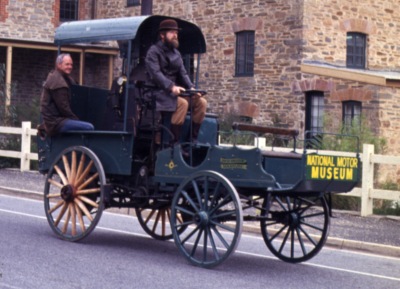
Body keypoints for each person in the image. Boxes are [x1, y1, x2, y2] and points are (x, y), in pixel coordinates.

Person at [144, 19, 207, 145]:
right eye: (172, 32)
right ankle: (174, 143)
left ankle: (191, 140)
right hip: (156, 92)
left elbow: (183, 73)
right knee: (182, 104)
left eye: (176, 33)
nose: (175, 35)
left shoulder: (176, 53)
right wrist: (171, 87)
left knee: (202, 102)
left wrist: (191, 88)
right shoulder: (153, 52)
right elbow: (156, 74)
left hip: (172, 93)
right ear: (162, 35)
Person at [39, 53, 94, 136]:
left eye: (71, 64)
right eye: (67, 64)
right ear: (59, 65)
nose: (70, 67)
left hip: (59, 120)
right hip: (55, 123)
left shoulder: (66, 79)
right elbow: (64, 108)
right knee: (89, 127)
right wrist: (76, 120)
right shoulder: (58, 82)